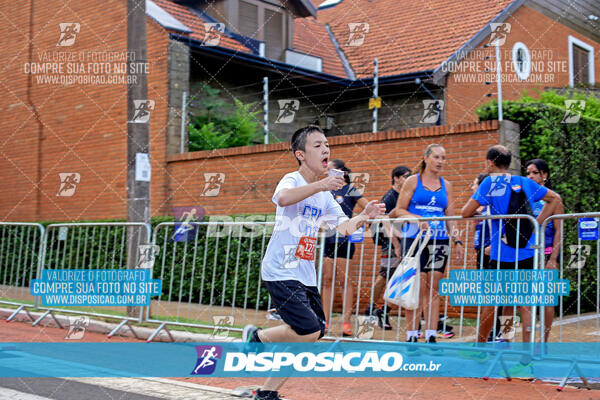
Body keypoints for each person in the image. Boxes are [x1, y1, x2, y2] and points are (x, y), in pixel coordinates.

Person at [242, 125, 385, 400]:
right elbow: (282, 199)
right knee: (307, 330)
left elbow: (343, 227)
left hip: (305, 273)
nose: (326, 150)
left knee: (315, 331)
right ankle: (259, 341)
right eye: (318, 145)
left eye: (327, 145)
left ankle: (265, 383)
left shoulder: (325, 195)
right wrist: (321, 184)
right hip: (281, 269)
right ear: (300, 154)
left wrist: (365, 214)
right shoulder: (292, 179)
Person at [461, 146, 562, 375]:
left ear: (490, 163)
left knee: (490, 301)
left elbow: (466, 212)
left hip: (500, 252)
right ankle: (525, 363)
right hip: (527, 251)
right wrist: (536, 222)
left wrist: (487, 210)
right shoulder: (523, 182)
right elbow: (555, 198)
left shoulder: (488, 183)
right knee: (524, 305)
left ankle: (480, 346)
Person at [393, 144, 464, 347]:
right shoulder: (412, 181)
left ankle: (431, 334)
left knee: (434, 285)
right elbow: (398, 210)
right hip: (415, 238)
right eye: (436, 157)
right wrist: (417, 219)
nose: (440, 161)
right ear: (425, 158)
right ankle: (412, 335)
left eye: (443, 157)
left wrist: (457, 239)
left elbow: (450, 216)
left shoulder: (446, 185)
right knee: (416, 285)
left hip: (439, 239)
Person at [321, 159, 370, 337]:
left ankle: (346, 322)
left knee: (344, 280)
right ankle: (324, 321)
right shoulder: (326, 189)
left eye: (330, 168)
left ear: (341, 172)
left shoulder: (350, 189)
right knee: (326, 280)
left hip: (344, 239)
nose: (326, 170)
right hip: (327, 239)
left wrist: (358, 223)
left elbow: (367, 207)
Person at [363, 166, 411, 330]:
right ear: (396, 178)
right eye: (406, 176)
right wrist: (397, 240)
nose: (408, 178)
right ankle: (374, 308)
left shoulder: (403, 195)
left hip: (399, 239)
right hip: (388, 241)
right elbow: (384, 221)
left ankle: (378, 309)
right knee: (386, 275)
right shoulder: (390, 197)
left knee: (395, 276)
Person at [525, 158, 563, 341]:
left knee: (546, 299)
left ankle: (543, 341)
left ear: (544, 176)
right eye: (528, 173)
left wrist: (553, 259)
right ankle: (513, 339)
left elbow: (559, 231)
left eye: (535, 173)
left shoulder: (554, 198)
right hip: (526, 253)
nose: (530, 176)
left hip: (546, 252)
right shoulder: (525, 196)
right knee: (522, 301)